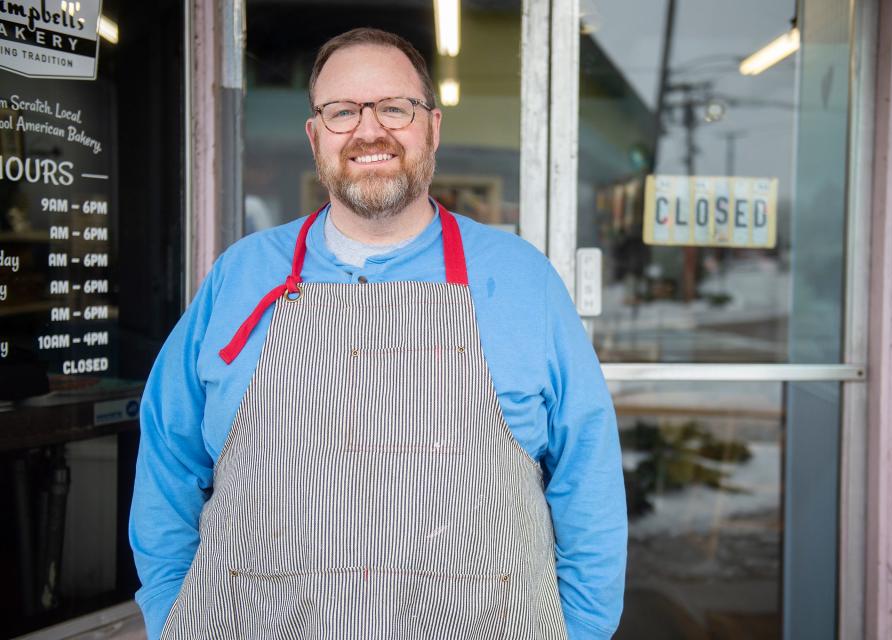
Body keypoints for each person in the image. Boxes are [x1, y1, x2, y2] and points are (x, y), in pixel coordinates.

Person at [129, 27, 627, 640]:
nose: (370, 131)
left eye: (395, 107)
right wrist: (168, 609)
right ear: (316, 136)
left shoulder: (520, 277)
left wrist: (583, 629)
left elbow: (589, 477)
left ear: (432, 128)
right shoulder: (242, 273)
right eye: (342, 111)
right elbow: (167, 458)